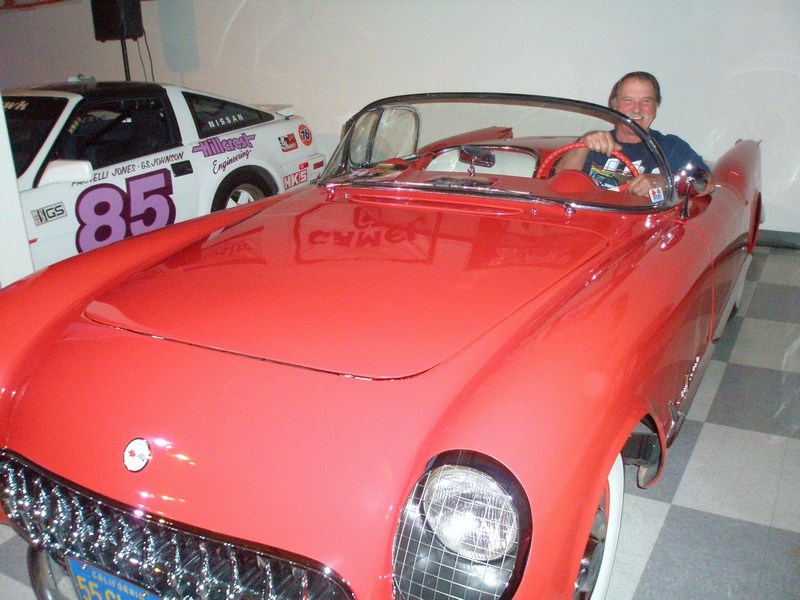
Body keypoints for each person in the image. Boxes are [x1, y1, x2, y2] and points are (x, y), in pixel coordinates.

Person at [557, 71, 712, 198]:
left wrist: (666, 182)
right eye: (628, 100)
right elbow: (558, 183)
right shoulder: (593, 142)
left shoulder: (670, 146)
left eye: (646, 101)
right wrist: (583, 144)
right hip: (593, 226)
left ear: (656, 106)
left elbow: (707, 184)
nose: (637, 109)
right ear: (614, 105)